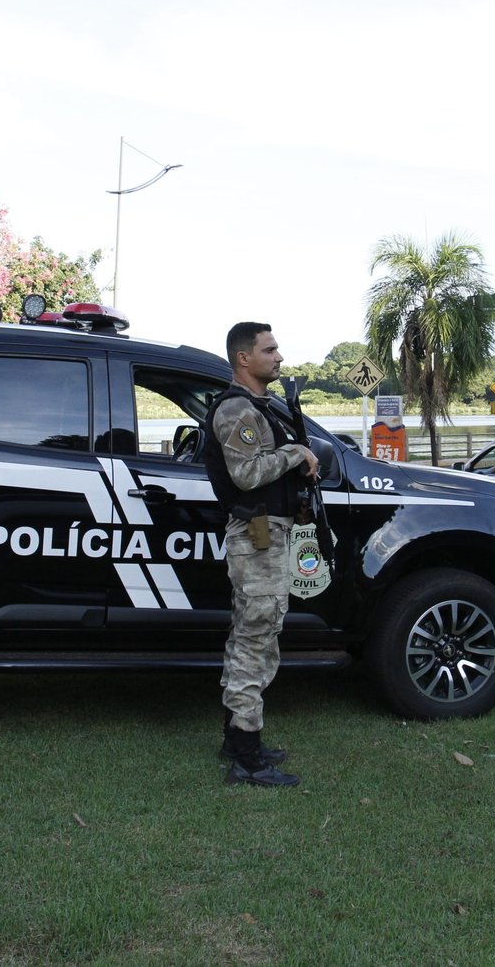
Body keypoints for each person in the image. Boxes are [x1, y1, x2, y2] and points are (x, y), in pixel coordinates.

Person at [201, 322, 318, 788]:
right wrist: (296, 454)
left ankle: (238, 739)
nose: (279, 357)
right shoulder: (236, 410)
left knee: (253, 636)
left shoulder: (260, 407)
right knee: (255, 640)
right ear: (243, 358)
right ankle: (247, 760)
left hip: (266, 533)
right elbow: (247, 474)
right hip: (256, 535)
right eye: (269, 350)